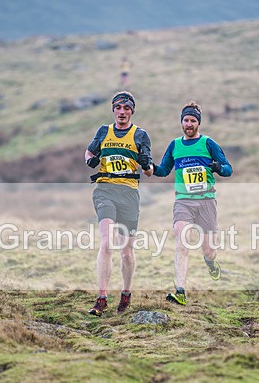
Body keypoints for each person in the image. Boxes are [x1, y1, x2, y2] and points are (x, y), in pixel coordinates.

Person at [152, 101, 233, 305]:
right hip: (184, 202)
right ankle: (180, 290)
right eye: (186, 120)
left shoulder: (208, 144)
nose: (189, 124)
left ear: (199, 123)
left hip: (206, 201)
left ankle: (210, 262)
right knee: (182, 241)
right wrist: (149, 167)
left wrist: (217, 167)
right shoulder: (175, 145)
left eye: (193, 120)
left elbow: (228, 169)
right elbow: (163, 170)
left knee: (209, 250)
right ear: (181, 122)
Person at [84, 91, 154, 316]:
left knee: (126, 252)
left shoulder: (140, 135)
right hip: (105, 190)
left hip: (129, 195)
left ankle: (126, 293)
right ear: (113, 110)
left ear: (132, 111)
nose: (122, 112)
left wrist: (145, 164)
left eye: (126, 109)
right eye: (118, 108)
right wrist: (91, 160)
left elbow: (150, 171)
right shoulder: (104, 131)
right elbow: (88, 151)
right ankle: (101, 298)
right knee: (106, 243)